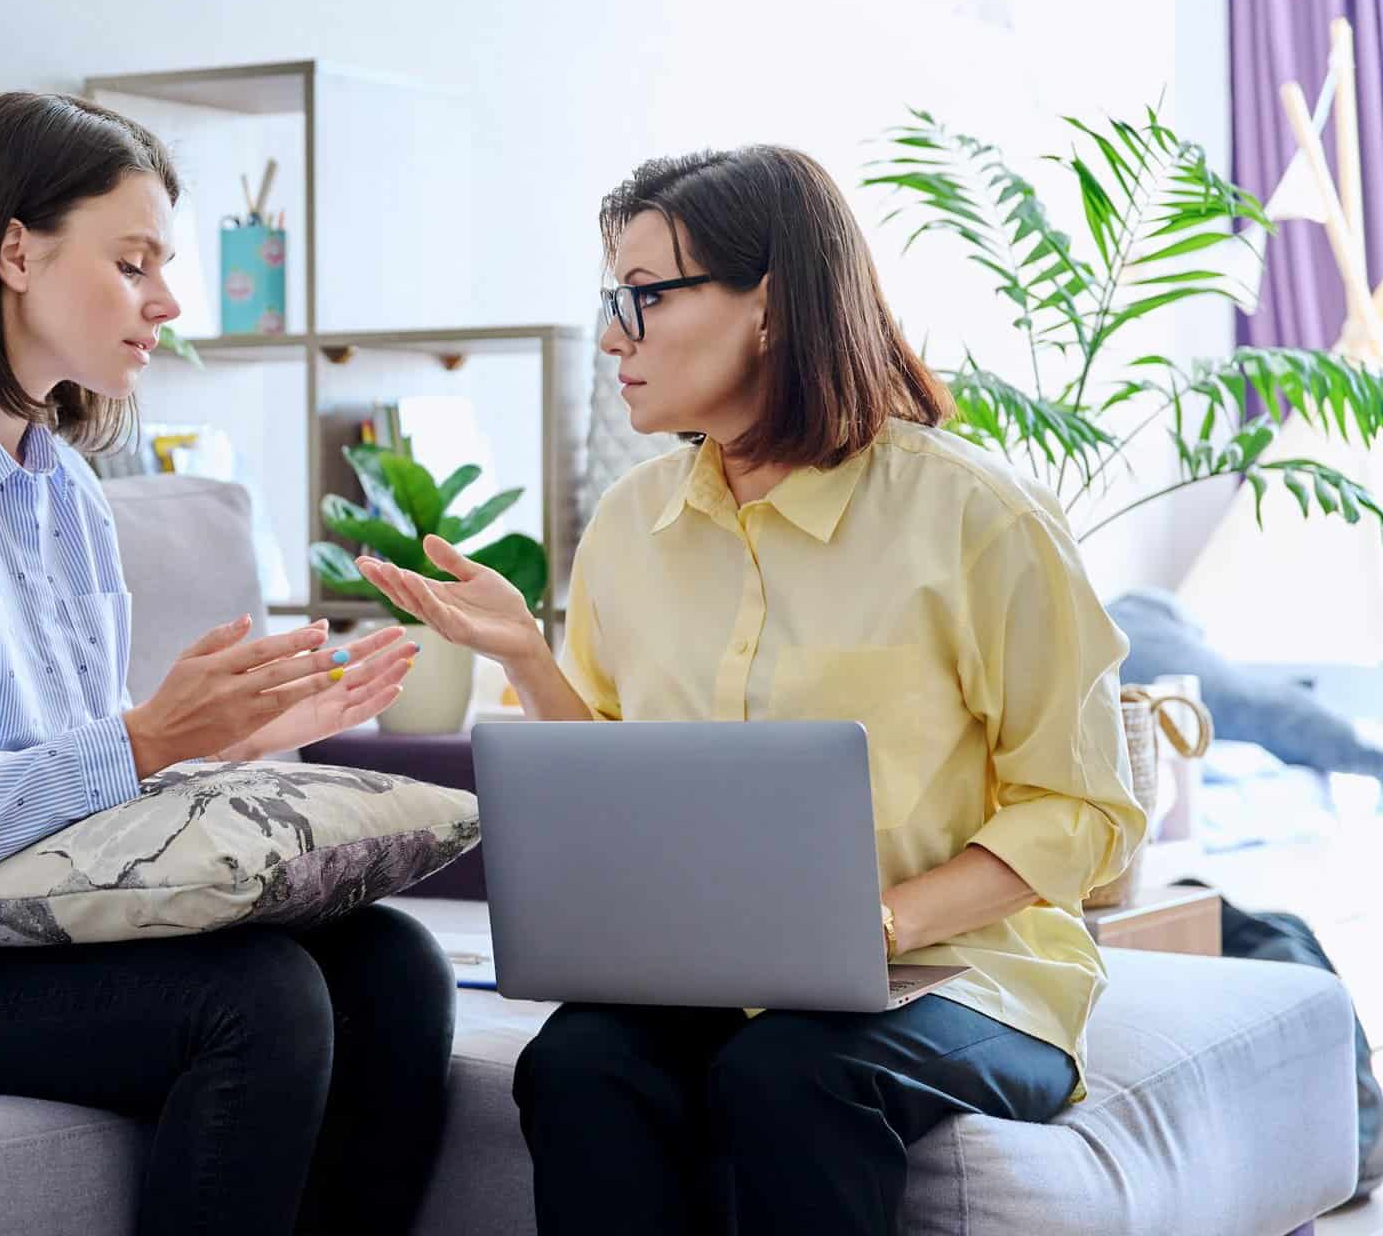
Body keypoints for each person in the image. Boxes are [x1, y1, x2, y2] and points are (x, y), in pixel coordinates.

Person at [354, 145, 1149, 1235]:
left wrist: (878, 923)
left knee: (793, 1073)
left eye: (643, 295)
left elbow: (1084, 807)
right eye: (611, 299)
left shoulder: (977, 516)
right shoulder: (632, 524)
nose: (612, 337)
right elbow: (615, 789)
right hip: (706, 977)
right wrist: (530, 659)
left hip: (964, 974)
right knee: (580, 1064)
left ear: (768, 307)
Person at [0, 90, 453, 1236]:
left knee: (394, 967)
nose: (168, 302)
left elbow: (78, 799)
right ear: (17, 252)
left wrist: (226, 740)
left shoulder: (68, 493)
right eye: (133, 262)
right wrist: (144, 739)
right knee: (257, 999)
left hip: (7, 930)